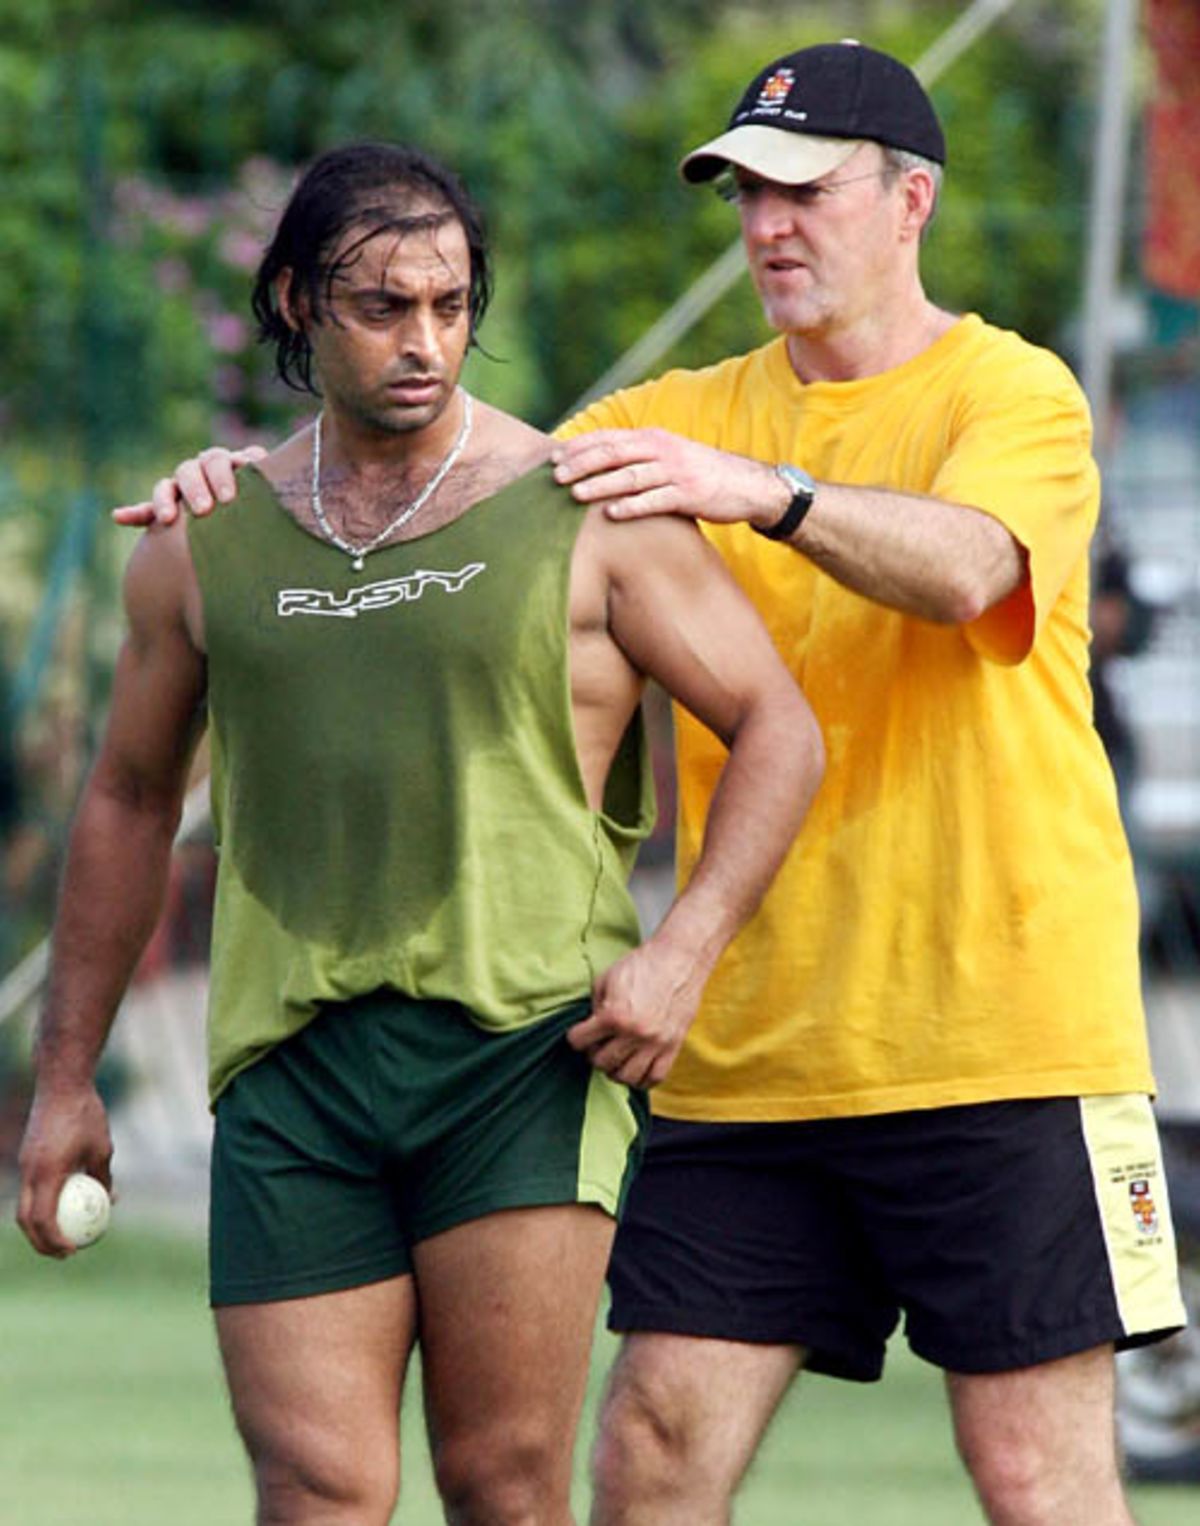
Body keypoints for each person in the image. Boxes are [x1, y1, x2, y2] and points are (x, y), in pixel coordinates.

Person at [117, 42, 1187, 1524]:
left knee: (1035, 1477)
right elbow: (430, 491)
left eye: (807, 193)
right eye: (747, 195)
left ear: (912, 200)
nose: (769, 227)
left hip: (1004, 1043)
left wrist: (772, 492)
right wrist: (233, 491)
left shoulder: (1017, 396)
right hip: (739, 1052)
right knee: (649, 1461)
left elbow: (969, 571)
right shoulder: (648, 431)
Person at [16, 141, 823, 1526]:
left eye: (451, 305)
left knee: (503, 1486)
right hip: (292, 1069)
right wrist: (64, 1075)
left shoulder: (584, 506)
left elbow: (779, 727)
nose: (425, 341)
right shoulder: (201, 540)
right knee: (318, 1486)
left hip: (519, 1056)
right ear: (292, 303)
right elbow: (131, 800)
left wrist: (684, 948)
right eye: (383, 305)